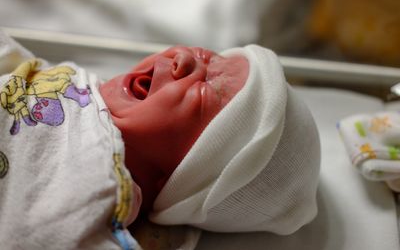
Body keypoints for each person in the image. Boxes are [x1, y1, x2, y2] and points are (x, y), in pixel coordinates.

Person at [0, 31, 320, 250]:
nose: (185, 59)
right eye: (205, 55)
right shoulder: (71, 80)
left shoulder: (103, 191)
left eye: (205, 90)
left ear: (174, 180)